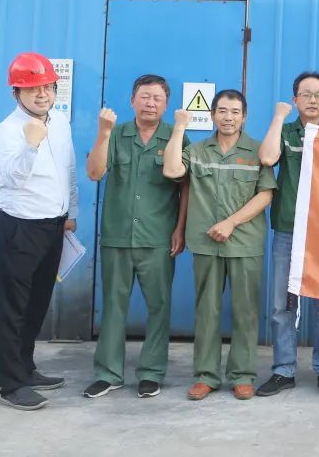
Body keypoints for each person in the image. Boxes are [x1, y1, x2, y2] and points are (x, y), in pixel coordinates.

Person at [163, 90, 276, 401]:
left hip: (245, 243)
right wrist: (179, 127)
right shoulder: (197, 150)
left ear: (244, 117)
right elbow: (172, 170)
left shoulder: (257, 151)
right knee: (207, 311)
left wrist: (231, 223)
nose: (229, 117)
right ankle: (206, 375)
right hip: (205, 243)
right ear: (212, 115)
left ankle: (242, 375)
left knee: (245, 312)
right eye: (223, 111)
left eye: (235, 112)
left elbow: (266, 194)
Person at [83, 75, 188, 399]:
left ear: (166, 105)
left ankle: (151, 372)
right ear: (132, 101)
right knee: (113, 306)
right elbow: (95, 172)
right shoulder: (116, 134)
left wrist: (180, 228)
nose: (150, 103)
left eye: (157, 98)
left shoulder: (175, 137)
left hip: (158, 238)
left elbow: (185, 187)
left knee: (159, 306)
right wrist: (103, 133)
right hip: (117, 236)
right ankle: (108, 373)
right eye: (144, 96)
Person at [0, 52, 78, 410]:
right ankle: (11, 385)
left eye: (47, 87)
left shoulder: (61, 122)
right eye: (32, 89)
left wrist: (70, 212)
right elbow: (11, 179)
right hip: (18, 227)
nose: (42, 94)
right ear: (16, 92)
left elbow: (68, 169)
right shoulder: (7, 132)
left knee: (36, 303)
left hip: (52, 226)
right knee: (12, 308)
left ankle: (25, 368)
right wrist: (31, 144)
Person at [255, 72, 319, 398]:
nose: (312, 100)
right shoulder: (287, 132)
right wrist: (279, 117)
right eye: (305, 94)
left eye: (318, 94)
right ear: (295, 100)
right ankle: (284, 370)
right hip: (288, 230)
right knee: (282, 305)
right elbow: (267, 158)